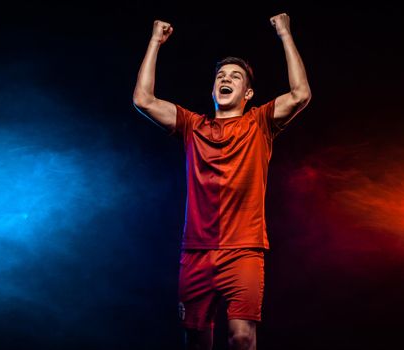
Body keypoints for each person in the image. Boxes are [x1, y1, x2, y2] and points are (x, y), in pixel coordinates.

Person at [133, 12, 311, 350]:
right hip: (196, 251)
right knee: (197, 339)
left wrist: (285, 33)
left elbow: (300, 94)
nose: (225, 79)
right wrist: (155, 42)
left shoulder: (259, 123)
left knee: (242, 337)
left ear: (248, 93)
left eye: (235, 76)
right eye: (220, 75)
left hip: (244, 250)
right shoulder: (191, 125)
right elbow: (143, 100)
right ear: (214, 87)